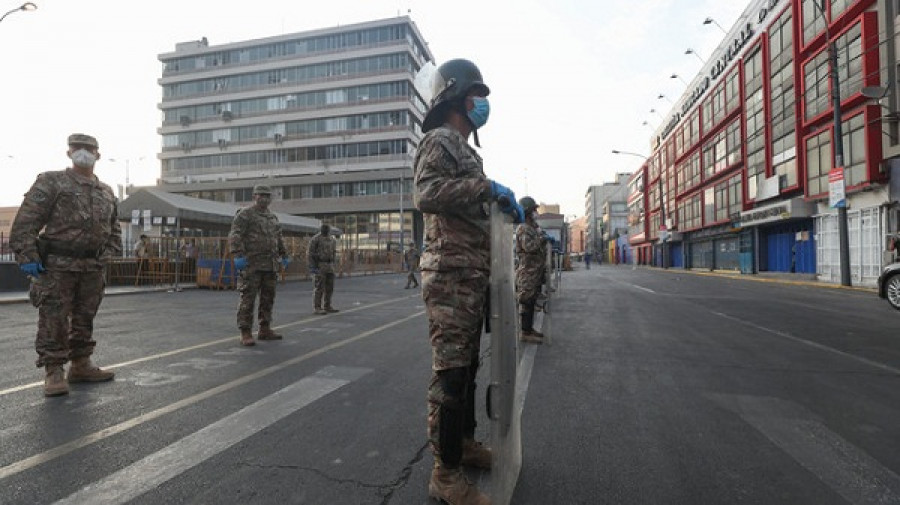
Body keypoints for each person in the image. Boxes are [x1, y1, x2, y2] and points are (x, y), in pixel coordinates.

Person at [414, 58, 523, 505]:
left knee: (469, 370)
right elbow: (428, 194)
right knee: (452, 376)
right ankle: (445, 474)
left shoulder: (465, 149)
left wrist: (496, 205)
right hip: (450, 275)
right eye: (477, 95)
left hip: (471, 278)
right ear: (458, 97)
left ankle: (464, 444)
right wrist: (486, 189)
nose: (482, 104)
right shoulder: (439, 140)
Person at [9, 133, 122, 397]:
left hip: (92, 266)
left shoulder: (105, 191)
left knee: (85, 317)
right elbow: (26, 222)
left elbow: (113, 227)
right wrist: (27, 256)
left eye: (89, 148)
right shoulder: (52, 182)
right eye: (78, 148)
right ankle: (54, 370)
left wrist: (108, 254)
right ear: (69, 153)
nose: (84, 152)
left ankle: (81, 365)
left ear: (98, 154)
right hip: (57, 265)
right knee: (54, 318)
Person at [229, 185, 289, 346]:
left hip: (270, 265)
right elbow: (235, 234)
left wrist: (284, 255)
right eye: (261, 195)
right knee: (248, 299)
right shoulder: (245, 214)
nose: (265, 198)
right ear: (254, 196)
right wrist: (237, 255)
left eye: (268, 196)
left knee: (268, 299)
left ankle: (265, 328)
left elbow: (278, 238)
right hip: (251, 264)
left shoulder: (273, 218)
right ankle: (245, 332)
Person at [515, 197, 546, 345]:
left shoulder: (532, 226)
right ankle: (525, 332)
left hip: (535, 272)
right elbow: (529, 247)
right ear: (527, 211)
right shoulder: (523, 228)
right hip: (527, 272)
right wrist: (542, 239)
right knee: (526, 301)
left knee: (532, 300)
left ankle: (529, 329)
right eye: (533, 209)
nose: (535, 212)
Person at [307, 224, 338, 315]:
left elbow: (334, 252)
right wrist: (312, 267)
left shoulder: (332, 239)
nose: (325, 230)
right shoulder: (315, 239)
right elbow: (310, 253)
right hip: (320, 265)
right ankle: (317, 307)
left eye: (327, 229)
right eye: (324, 229)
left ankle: (327, 305)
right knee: (319, 287)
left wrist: (334, 263)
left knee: (330, 287)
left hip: (329, 265)